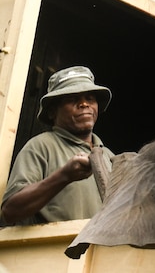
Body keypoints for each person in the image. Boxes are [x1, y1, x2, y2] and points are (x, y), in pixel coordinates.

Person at [1, 66, 115, 226]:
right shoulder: (41, 146)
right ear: (52, 112)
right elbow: (10, 211)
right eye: (71, 99)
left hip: (103, 250)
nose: (84, 104)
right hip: (57, 249)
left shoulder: (109, 156)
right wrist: (64, 176)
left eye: (89, 98)